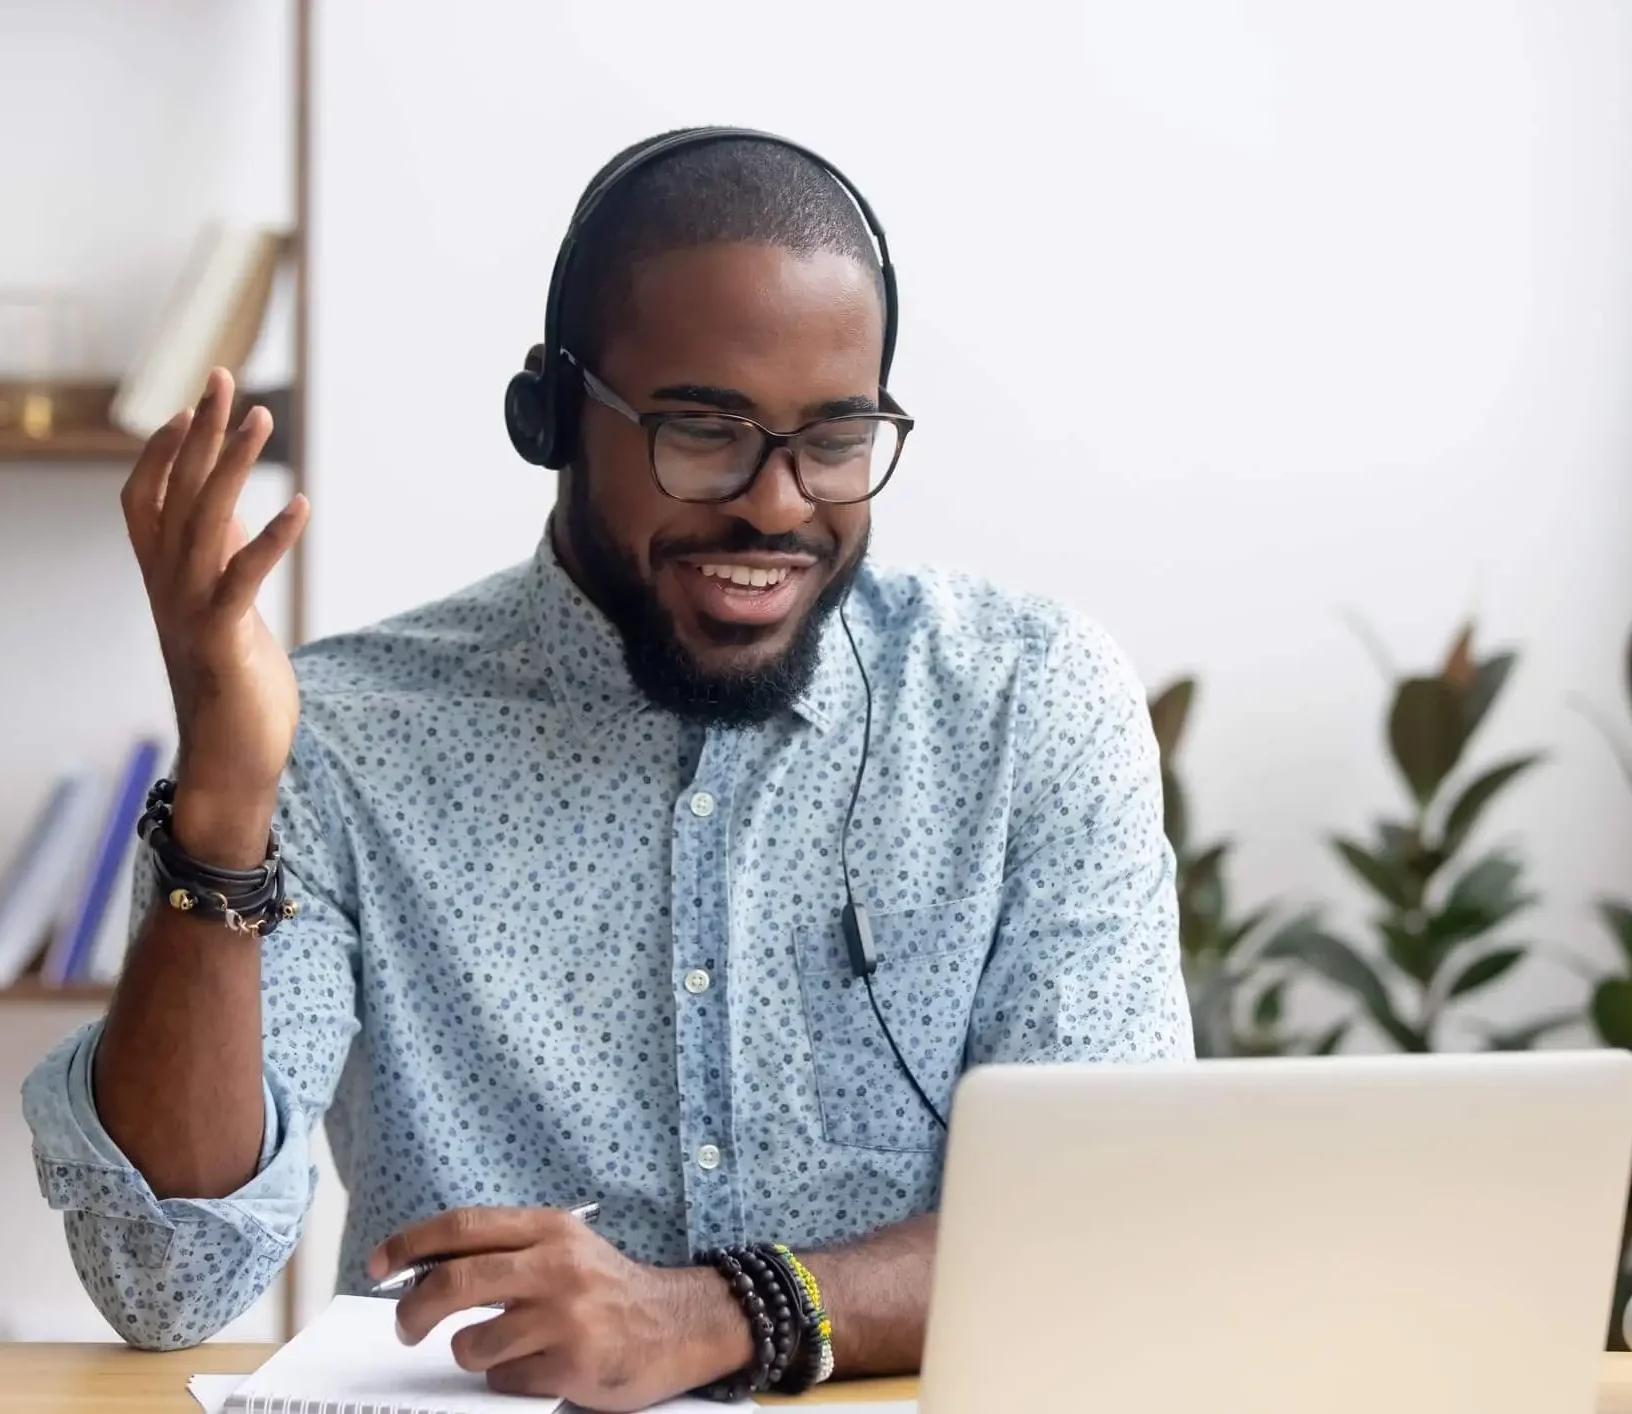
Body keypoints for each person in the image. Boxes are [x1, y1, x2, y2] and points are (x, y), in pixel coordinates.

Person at [23, 129, 1191, 1410]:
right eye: (705, 432)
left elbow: (1107, 1224)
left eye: (838, 439)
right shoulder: (340, 738)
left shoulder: (1024, 705)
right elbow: (163, 1278)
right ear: (552, 417)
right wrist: (227, 798)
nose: (780, 505)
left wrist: (717, 1314)